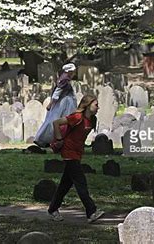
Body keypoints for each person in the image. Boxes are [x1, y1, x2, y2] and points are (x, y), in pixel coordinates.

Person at [48, 95, 104, 223]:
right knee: (81, 182)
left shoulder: (92, 120)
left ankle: (53, 209)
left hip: (77, 153)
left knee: (65, 185)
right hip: (68, 152)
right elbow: (56, 123)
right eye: (96, 105)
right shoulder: (77, 117)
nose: (98, 107)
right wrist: (59, 140)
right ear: (88, 105)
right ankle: (91, 212)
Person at [34, 63, 77, 147]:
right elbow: (57, 92)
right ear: (69, 72)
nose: (74, 73)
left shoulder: (65, 78)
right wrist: (50, 104)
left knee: (61, 121)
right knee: (57, 120)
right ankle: (45, 139)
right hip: (64, 103)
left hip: (65, 101)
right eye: (73, 71)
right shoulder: (64, 79)